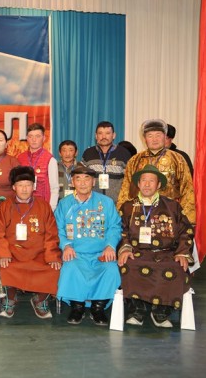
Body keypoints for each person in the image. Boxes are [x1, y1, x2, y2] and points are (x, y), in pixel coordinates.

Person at [118, 165, 194, 328]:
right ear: (138, 184)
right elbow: (121, 231)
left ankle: (161, 311)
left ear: (159, 185)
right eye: (144, 180)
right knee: (128, 265)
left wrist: (182, 252)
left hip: (167, 253)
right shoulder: (128, 206)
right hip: (137, 253)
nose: (147, 184)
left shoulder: (172, 206)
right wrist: (125, 248)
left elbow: (186, 231)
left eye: (151, 181)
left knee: (176, 267)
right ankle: (136, 309)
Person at [0, 166, 62, 319]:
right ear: (14, 187)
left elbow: (51, 234)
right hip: (13, 253)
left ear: (33, 187)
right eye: (20, 185)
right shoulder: (5, 206)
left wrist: (52, 256)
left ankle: (40, 300)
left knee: (53, 268)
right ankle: (10, 299)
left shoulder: (44, 206)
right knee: (6, 266)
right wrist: (3, 253)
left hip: (38, 253)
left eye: (28, 185)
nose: (24, 189)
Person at [54, 163, 122, 326]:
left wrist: (110, 246)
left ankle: (98, 307)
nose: (83, 183)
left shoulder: (106, 202)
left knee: (110, 269)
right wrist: (66, 245)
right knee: (70, 267)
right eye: (78, 179)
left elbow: (115, 226)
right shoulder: (64, 204)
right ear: (72, 182)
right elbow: (57, 228)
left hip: (100, 253)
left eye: (87, 179)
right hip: (76, 252)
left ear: (94, 182)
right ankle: (77, 307)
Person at [117, 119, 195, 224]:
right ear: (144, 139)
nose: (154, 139)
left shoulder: (177, 159)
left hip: (169, 214)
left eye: (158, 135)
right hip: (139, 214)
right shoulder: (135, 160)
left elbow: (187, 190)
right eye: (150, 136)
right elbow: (125, 191)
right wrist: (121, 218)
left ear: (165, 136)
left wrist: (186, 221)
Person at [81, 121, 132, 203]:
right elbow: (82, 178)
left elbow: (129, 180)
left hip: (116, 203)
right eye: (100, 133)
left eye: (107, 133)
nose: (104, 136)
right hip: (93, 202)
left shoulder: (124, 153)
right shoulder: (88, 153)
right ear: (96, 136)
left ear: (113, 135)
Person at [17, 123, 59, 210]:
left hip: (42, 206)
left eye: (37, 136)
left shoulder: (50, 160)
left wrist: (51, 209)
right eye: (31, 136)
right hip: (22, 205)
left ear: (44, 138)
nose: (34, 139)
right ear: (27, 138)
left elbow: (54, 188)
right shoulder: (20, 158)